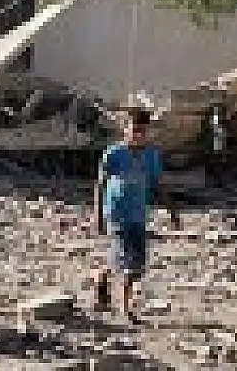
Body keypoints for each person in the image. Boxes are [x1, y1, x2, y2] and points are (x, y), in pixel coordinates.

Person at [92, 107, 164, 324]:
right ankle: (127, 309)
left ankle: (103, 276)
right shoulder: (113, 154)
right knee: (128, 263)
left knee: (136, 264)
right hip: (116, 213)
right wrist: (98, 215)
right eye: (134, 130)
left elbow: (156, 184)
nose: (138, 135)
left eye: (142, 131)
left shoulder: (151, 155)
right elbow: (100, 184)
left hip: (138, 214)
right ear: (125, 129)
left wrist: (171, 209)